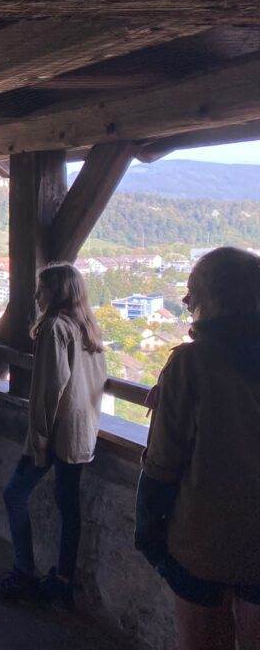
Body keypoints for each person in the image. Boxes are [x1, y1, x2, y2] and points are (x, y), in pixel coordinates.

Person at [134, 247, 260, 650]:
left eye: (193, 292)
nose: (187, 302)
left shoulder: (191, 364)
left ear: (214, 299)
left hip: (204, 539)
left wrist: (148, 532)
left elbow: (163, 460)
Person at [0, 263, 107, 608]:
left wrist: (38, 439)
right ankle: (63, 581)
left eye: (42, 289)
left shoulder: (54, 327)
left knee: (14, 495)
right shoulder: (88, 328)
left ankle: (23, 572)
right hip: (81, 431)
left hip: (55, 431)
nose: (37, 295)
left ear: (56, 292)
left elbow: (48, 390)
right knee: (69, 508)